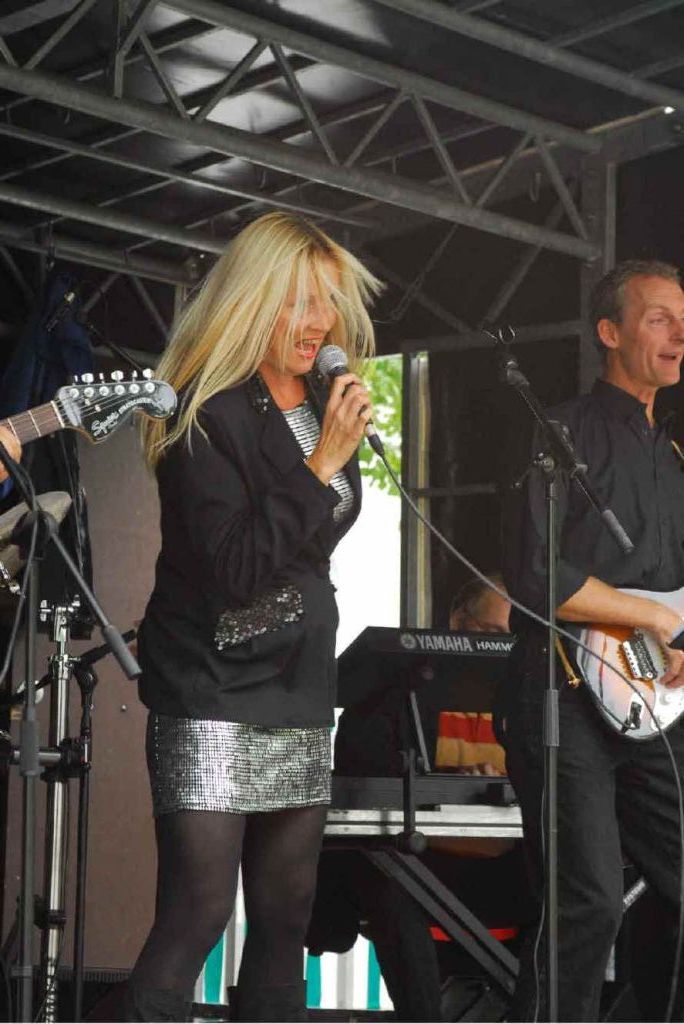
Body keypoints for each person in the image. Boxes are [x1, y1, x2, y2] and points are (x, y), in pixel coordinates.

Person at [117, 212, 382, 1023]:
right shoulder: (204, 412)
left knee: (286, 915)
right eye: (300, 301)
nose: (320, 322)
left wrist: (329, 456)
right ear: (254, 299)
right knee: (197, 911)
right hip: (214, 685)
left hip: (298, 685)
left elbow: (311, 542)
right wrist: (323, 463)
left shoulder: (317, 404)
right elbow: (235, 566)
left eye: (327, 303)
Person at [500, 259, 684, 1021]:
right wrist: (654, 619)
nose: (679, 334)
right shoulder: (561, 433)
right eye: (659, 318)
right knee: (588, 903)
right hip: (564, 698)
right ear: (610, 332)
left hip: (654, 704)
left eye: (683, 319)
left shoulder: (671, 456)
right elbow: (536, 575)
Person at [310, 576, 530, 1022]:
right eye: (490, 635)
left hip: (511, 883)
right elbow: (363, 789)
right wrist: (454, 786)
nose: (501, 651)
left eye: (514, 640)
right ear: (457, 621)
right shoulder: (391, 690)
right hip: (415, 877)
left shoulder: (535, 703)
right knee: (381, 873)